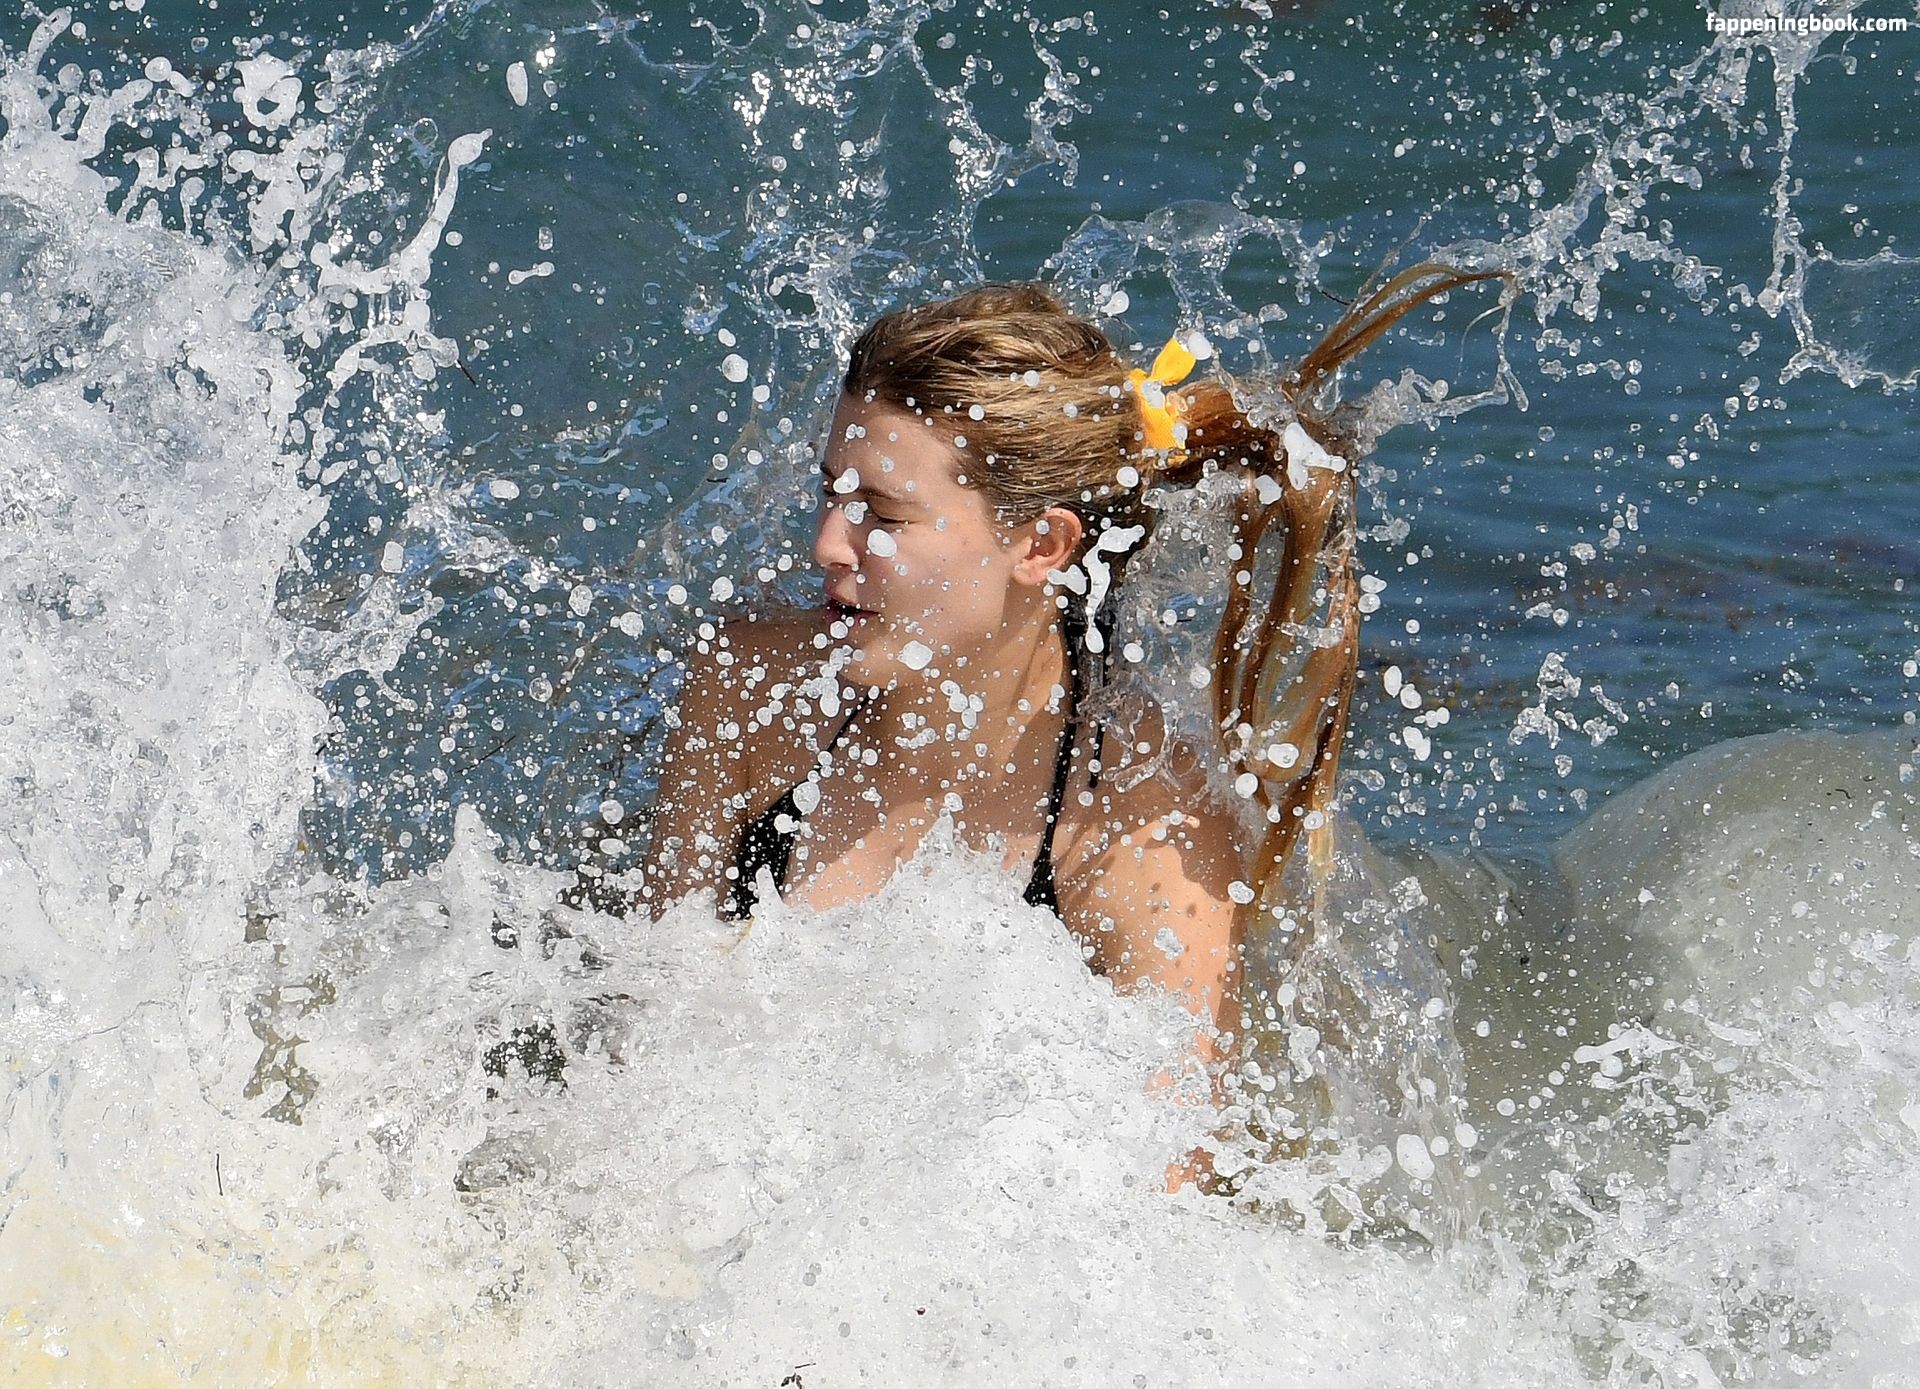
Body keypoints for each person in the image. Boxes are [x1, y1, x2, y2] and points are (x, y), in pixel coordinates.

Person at [637, 265, 1505, 1089]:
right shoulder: (750, 688)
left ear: (1042, 544)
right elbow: (650, 1041)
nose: (827, 543)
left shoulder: (1143, 830)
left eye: (883, 515)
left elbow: (1180, 1171)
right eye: (831, 492)